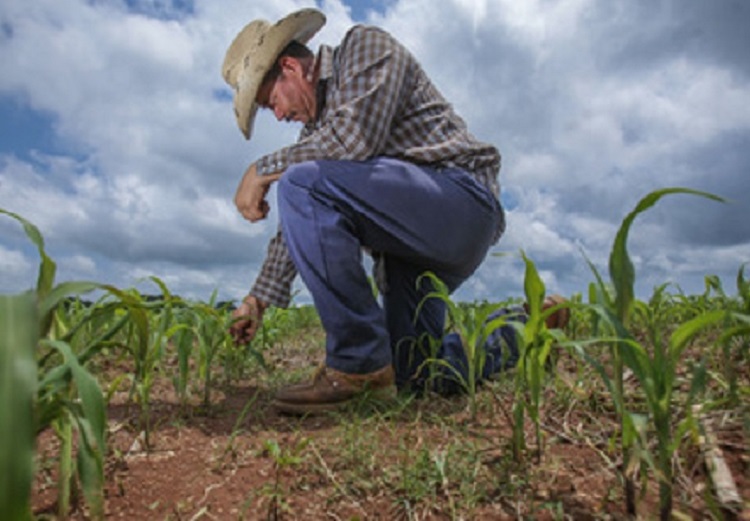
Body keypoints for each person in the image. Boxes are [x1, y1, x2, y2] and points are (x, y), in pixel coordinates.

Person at [222, 8, 566, 414]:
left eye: (271, 102)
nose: (278, 114)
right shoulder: (314, 139)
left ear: (291, 67)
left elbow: (353, 142)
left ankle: (356, 363)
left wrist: (260, 170)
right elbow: (302, 222)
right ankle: (526, 329)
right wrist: (256, 301)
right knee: (414, 372)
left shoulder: (365, 48)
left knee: (300, 181)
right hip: (408, 253)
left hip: (460, 202)